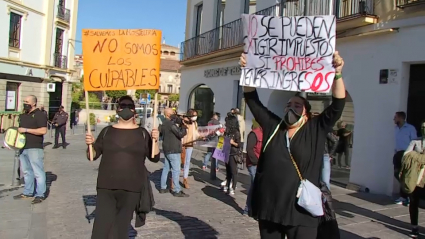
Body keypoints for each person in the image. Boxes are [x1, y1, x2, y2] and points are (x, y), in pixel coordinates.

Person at [239, 51, 345, 239]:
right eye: (289, 104)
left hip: (301, 211)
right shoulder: (274, 126)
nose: (291, 107)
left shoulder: (315, 129)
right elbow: (252, 100)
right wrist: (247, 71)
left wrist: (337, 73)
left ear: (306, 113)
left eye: (297, 105)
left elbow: (337, 105)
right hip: (270, 208)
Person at [85, 95, 160, 239]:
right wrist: (89, 144)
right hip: (106, 186)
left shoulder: (143, 133)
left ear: (134, 111)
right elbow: (92, 156)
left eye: (129, 106)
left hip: (131, 187)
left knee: (120, 229)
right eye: (122, 106)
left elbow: (154, 157)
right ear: (117, 110)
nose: (126, 109)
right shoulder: (107, 132)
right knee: (100, 228)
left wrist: (155, 140)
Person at [13, 95, 48, 204]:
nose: (25, 103)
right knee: (27, 171)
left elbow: (43, 131)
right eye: (24, 101)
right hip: (23, 147)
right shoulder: (23, 115)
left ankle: (40, 194)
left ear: (33, 103)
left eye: (27, 102)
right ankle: (28, 192)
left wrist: (27, 130)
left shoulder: (40, 115)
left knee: (38, 172)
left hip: (35, 147)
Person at [159, 108, 189, 197]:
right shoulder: (170, 124)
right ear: (168, 114)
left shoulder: (164, 123)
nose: (174, 114)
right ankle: (177, 190)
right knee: (176, 170)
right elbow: (180, 134)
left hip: (167, 148)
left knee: (166, 168)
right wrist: (183, 126)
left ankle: (163, 187)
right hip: (173, 149)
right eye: (173, 113)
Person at [403, 120, 425, 238]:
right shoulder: (416, 142)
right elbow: (406, 155)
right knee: (413, 202)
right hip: (415, 177)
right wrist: (421, 157)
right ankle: (414, 227)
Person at [394, 111, 417, 206]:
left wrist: (411, 154)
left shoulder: (410, 128)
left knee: (405, 175)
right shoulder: (396, 128)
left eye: (395, 117)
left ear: (400, 118)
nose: (394, 119)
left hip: (406, 153)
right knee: (397, 174)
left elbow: (414, 141)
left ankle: (405, 197)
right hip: (398, 153)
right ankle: (405, 195)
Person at [243, 119, 262, 215]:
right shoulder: (254, 134)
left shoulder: (266, 134)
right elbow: (249, 149)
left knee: (256, 186)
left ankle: (252, 209)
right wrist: (256, 161)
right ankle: (248, 209)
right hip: (254, 164)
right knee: (256, 185)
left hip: (261, 164)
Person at [181, 109, 201, 189]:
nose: (195, 117)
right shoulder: (183, 122)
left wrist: (199, 136)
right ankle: (173, 178)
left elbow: (195, 133)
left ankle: (185, 179)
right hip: (182, 144)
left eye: (196, 115)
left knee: (187, 162)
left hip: (190, 144)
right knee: (180, 161)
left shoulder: (195, 123)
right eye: (193, 115)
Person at [223, 113, 241, 195]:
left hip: (233, 153)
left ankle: (233, 187)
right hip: (227, 152)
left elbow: (239, 144)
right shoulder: (227, 132)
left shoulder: (236, 132)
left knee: (234, 171)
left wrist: (233, 142)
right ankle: (227, 185)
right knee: (228, 171)